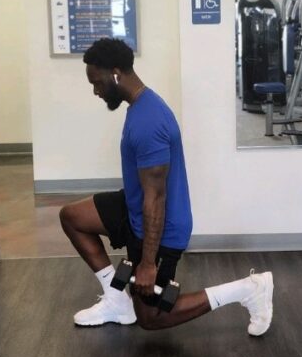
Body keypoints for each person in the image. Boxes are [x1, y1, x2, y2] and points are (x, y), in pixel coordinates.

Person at [59, 38, 274, 334]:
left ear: (116, 73)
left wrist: (148, 263)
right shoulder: (140, 105)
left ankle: (249, 289)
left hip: (162, 229)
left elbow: (156, 198)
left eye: (97, 82)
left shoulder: (148, 121)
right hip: (136, 208)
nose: (96, 91)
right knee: (72, 217)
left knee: (152, 318)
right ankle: (117, 300)